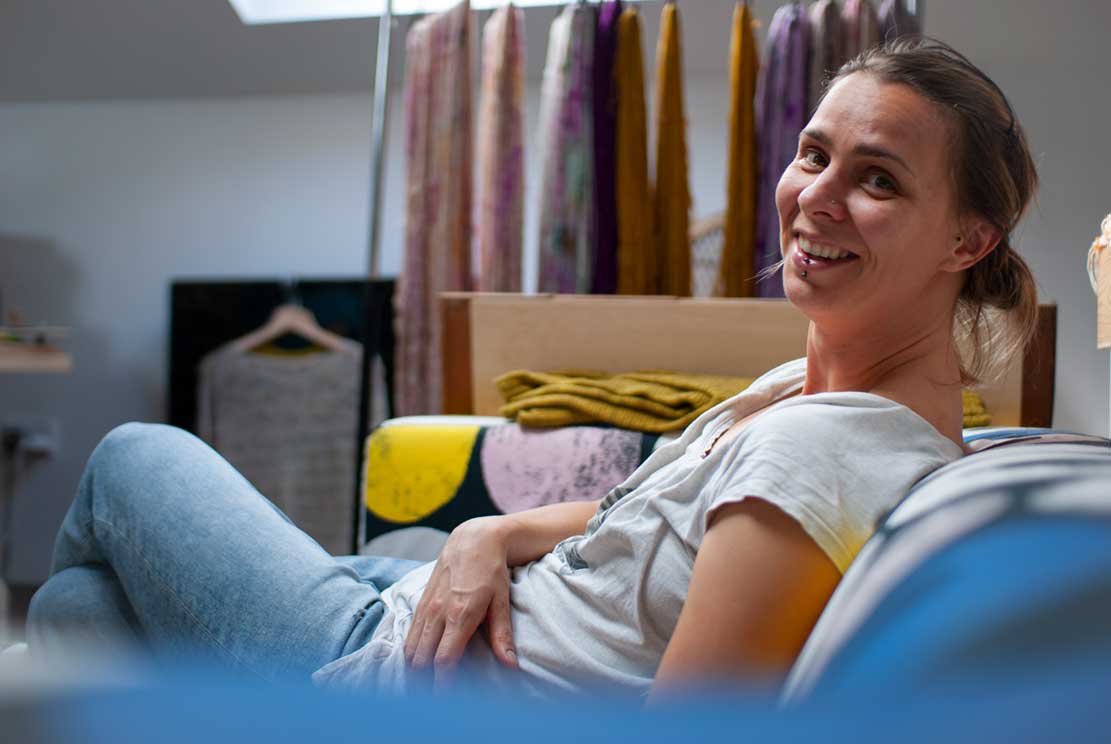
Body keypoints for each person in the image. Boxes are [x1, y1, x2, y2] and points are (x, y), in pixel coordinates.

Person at [27, 37, 1039, 701]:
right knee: (73, 612)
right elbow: (649, 519)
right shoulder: (806, 388)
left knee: (130, 456)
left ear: (966, 240)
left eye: (878, 180)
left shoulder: (831, 455)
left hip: (393, 678)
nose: (815, 198)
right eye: (814, 155)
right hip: (433, 599)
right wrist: (486, 530)